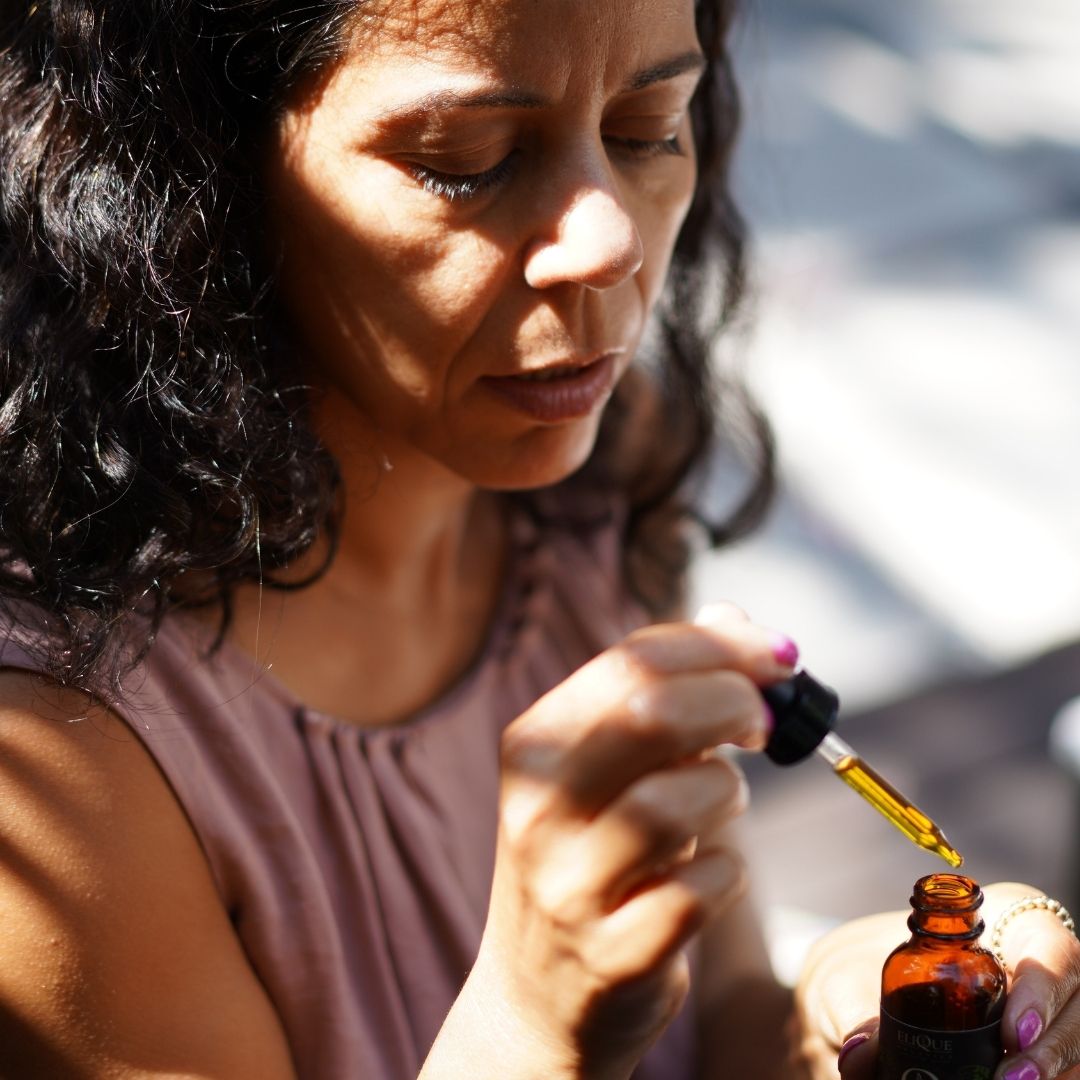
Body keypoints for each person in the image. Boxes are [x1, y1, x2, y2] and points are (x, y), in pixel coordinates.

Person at [0, 1, 1076, 1078]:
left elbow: (726, 1009)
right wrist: (531, 1025)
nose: (608, 240)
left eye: (651, 127)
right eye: (467, 162)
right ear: (198, 176)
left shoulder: (600, 479)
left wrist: (839, 1016)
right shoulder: (51, 770)